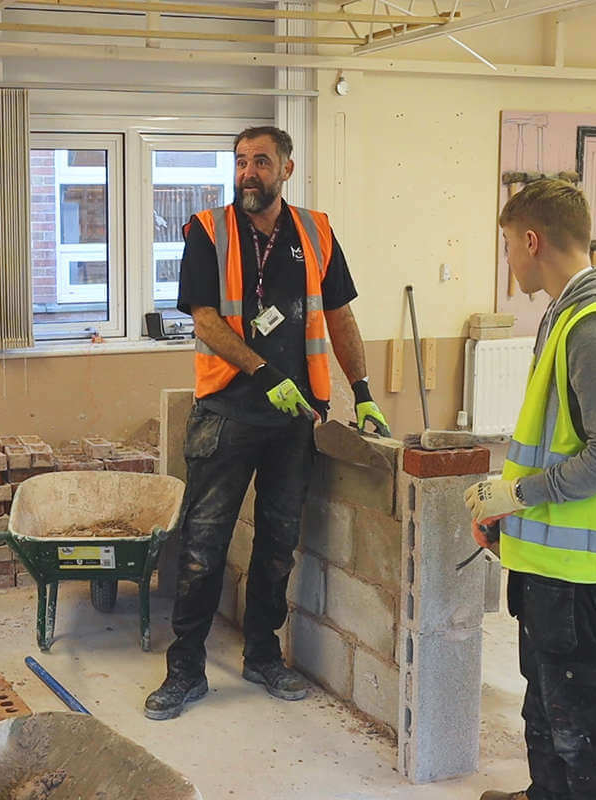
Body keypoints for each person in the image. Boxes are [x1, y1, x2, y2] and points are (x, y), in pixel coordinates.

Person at [145, 125, 390, 721]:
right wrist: (263, 375)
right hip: (228, 412)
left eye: (260, 162)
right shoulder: (207, 232)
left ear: (286, 168)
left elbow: (340, 316)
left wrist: (362, 392)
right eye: (240, 162)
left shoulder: (316, 232)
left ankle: (261, 655)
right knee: (203, 547)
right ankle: (185, 671)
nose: (247, 172)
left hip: (297, 420)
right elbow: (205, 321)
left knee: (278, 544)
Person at [465, 179, 596, 800]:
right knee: (550, 699)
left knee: (585, 713)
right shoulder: (570, 311)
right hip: (552, 560)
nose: (509, 260)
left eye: (509, 245)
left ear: (532, 240)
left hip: (576, 572)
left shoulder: (592, 326)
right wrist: (511, 506)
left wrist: (522, 495)